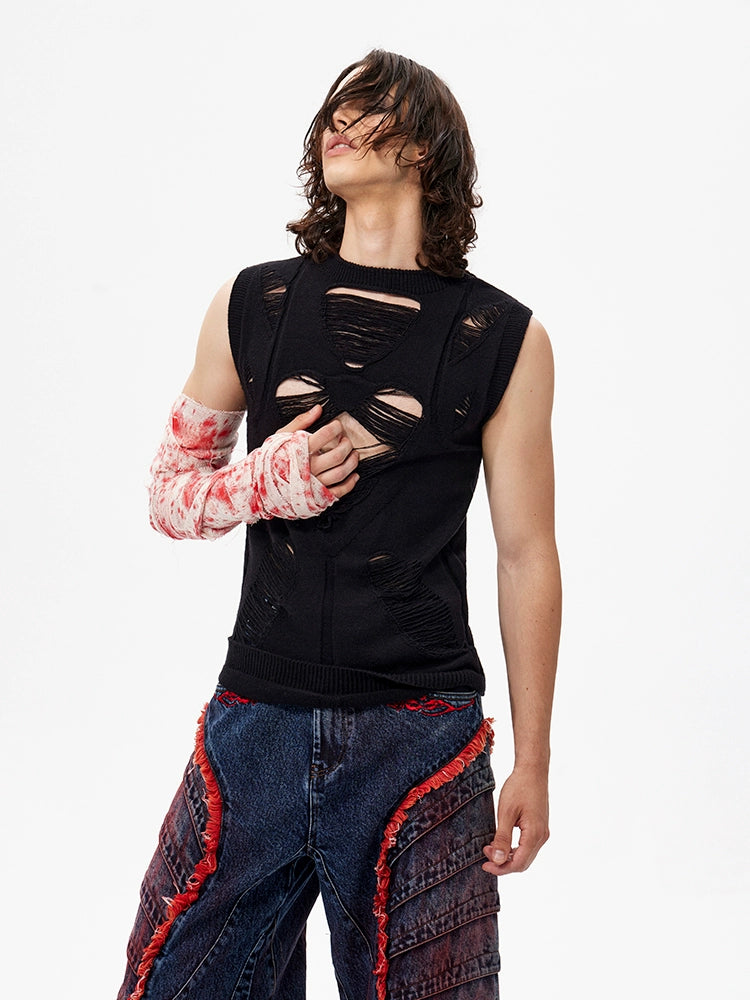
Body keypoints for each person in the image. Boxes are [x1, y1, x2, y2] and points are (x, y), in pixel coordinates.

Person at [117, 48, 561, 1000]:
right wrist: (260, 485)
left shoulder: (505, 338)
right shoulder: (251, 302)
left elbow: (526, 555)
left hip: (421, 741)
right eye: (335, 113)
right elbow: (167, 492)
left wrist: (534, 758)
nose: (342, 127)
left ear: (428, 150)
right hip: (254, 724)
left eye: (373, 111)